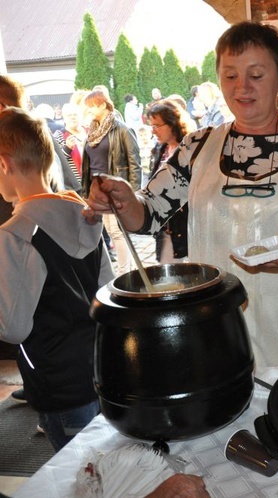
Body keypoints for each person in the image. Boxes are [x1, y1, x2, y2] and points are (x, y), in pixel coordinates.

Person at [84, 21, 278, 370]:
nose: (242, 87)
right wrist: (124, 198)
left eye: (256, 75)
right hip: (216, 330)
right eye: (230, 76)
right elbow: (149, 213)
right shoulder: (197, 147)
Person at [0, 107, 115, 452]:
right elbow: (109, 292)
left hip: (56, 386)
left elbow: (13, 327)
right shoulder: (85, 215)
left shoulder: (15, 235)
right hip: (100, 374)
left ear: (4, 164)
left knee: (79, 477)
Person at [80, 90, 142, 275]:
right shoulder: (93, 131)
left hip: (114, 187)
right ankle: (120, 272)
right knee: (108, 230)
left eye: (90, 107)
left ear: (102, 104)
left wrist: (134, 195)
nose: (88, 112)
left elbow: (134, 162)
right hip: (96, 188)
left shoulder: (121, 128)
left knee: (117, 232)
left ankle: (125, 273)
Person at [146, 99, 193, 263]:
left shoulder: (191, 149)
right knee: (168, 274)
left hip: (188, 228)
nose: (153, 131)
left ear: (173, 123)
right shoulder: (160, 149)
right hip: (166, 228)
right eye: (151, 126)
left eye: (156, 126)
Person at [53, 102, 87, 185]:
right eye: (69, 115)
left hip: (94, 179)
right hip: (75, 184)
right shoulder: (59, 135)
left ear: (81, 116)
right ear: (64, 118)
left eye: (75, 114)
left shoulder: (90, 131)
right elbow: (56, 160)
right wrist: (67, 148)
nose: (72, 117)